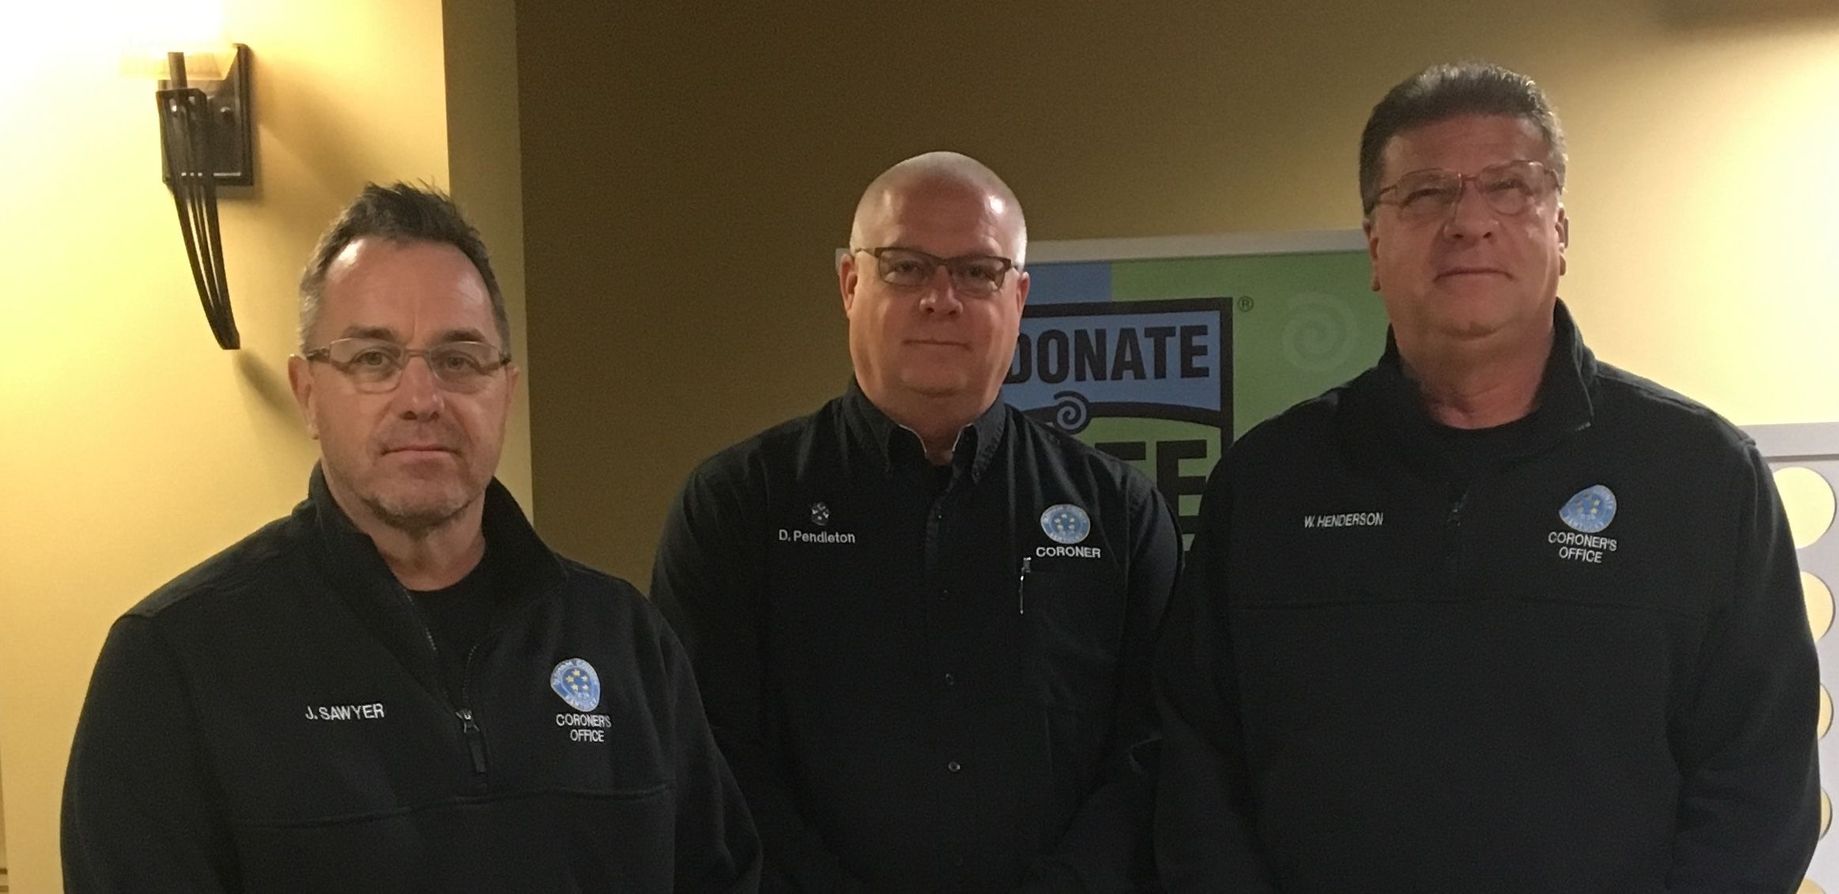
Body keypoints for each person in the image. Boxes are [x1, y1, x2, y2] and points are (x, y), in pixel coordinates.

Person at [1155, 62, 1820, 891]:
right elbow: (1195, 776)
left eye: (1510, 187)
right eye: (1427, 194)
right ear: (1373, 246)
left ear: (1561, 231)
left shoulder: (1702, 478)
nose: (1469, 222)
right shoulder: (1266, 485)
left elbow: (1759, 792)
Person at [62, 183, 759, 892]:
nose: (422, 399)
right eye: (373, 359)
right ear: (308, 393)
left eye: (460, 360)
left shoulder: (625, 643)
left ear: (506, 392)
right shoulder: (174, 663)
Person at [651, 152, 1180, 891]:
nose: (942, 298)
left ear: (1019, 297)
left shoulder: (1120, 513)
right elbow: (709, 755)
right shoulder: (737, 508)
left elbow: (1153, 755)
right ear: (849, 283)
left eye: (976, 272)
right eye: (906, 267)